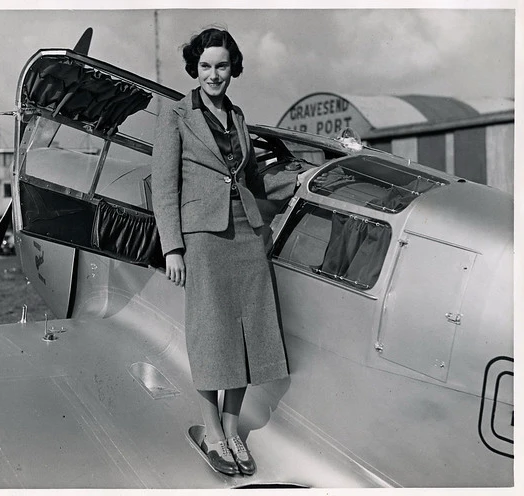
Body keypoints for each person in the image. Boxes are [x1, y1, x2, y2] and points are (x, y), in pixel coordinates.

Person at [152, 28, 313, 476]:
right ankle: (210, 431)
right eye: (205, 66)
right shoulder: (175, 116)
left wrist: (298, 179)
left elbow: (254, 181)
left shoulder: (238, 116)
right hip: (202, 239)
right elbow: (165, 188)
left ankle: (231, 429)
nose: (213, 74)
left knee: (246, 331)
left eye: (221, 66)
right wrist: (173, 247)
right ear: (195, 68)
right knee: (210, 334)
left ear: (232, 68)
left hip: (246, 233)